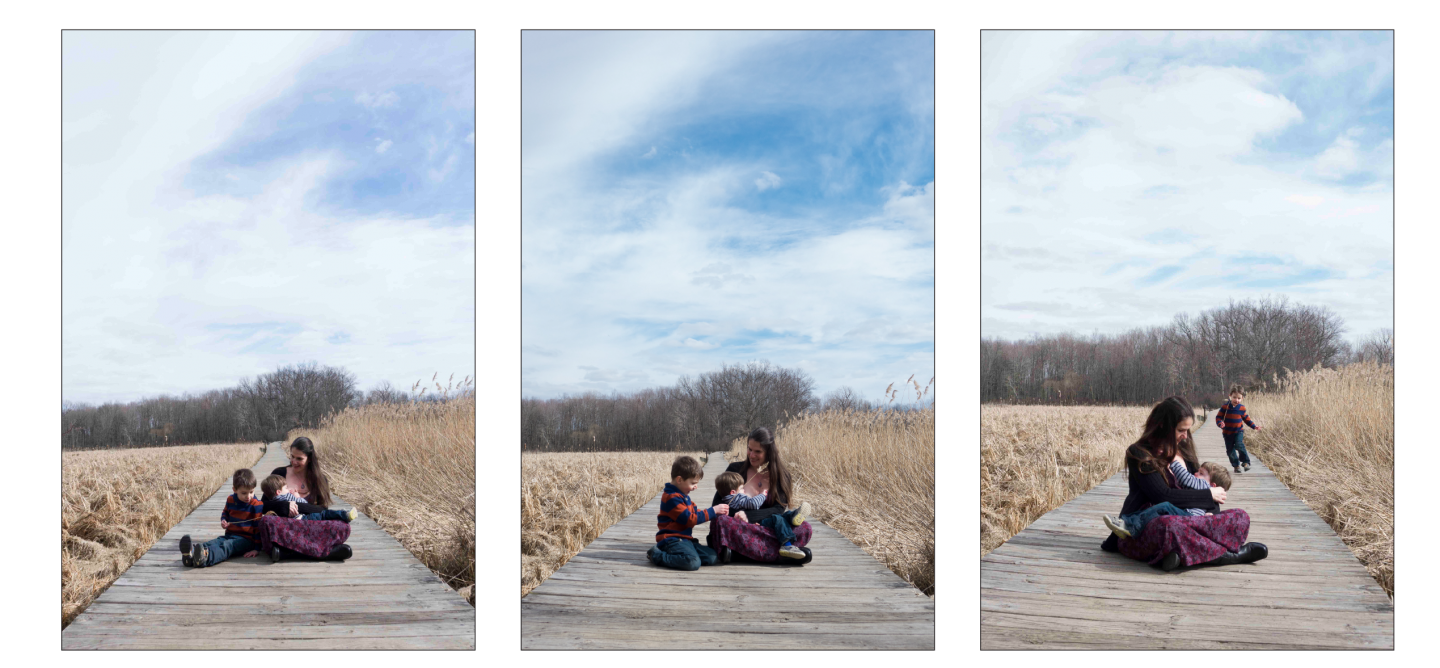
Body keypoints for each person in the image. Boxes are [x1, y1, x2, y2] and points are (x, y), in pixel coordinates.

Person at [1100, 396, 1268, 572]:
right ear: (1163, 426)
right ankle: (1230, 555)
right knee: (1170, 526)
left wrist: (1209, 514)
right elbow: (1162, 495)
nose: (1186, 436)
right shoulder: (1140, 453)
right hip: (1148, 527)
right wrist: (1208, 495)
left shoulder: (1184, 447)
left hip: (1189, 521)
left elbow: (1200, 484)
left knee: (1240, 516)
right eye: (1181, 430)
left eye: (1188, 430)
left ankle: (1177, 554)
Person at [706, 427, 813, 565]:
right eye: (749, 449)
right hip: (739, 526)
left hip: (765, 528)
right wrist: (740, 517)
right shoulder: (734, 470)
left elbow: (778, 510)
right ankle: (780, 554)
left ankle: (738, 554)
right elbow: (718, 504)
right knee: (721, 522)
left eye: (758, 451)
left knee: (805, 528)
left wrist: (749, 516)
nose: (752, 455)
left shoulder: (782, 476)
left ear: (769, 452)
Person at [260, 437, 353, 563]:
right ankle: (326, 552)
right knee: (266, 521)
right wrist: (284, 506)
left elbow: (322, 509)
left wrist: (296, 505)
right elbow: (263, 506)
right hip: (287, 525)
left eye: (299, 458)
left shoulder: (320, 480)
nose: (294, 461)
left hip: (310, 525)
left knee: (343, 526)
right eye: (292, 456)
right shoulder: (279, 474)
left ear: (309, 459)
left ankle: (286, 553)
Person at [1103, 460, 1232, 539]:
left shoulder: (1205, 487)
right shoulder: (1205, 487)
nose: (1195, 474)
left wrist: (1174, 463)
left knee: (1164, 507)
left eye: (1201, 473)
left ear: (1213, 485)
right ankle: (1127, 522)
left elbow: (1185, 478)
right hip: (1191, 517)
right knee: (1160, 510)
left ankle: (1131, 527)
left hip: (1189, 516)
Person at [647, 455, 727, 571]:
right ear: (679, 480)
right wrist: (713, 511)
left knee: (712, 557)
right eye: (693, 483)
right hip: (672, 540)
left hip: (685, 540)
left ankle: (686, 553)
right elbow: (689, 519)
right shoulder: (671, 498)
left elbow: (695, 513)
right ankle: (657, 555)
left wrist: (715, 513)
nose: (696, 487)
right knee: (693, 563)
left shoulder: (683, 496)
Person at [714, 471, 812, 559]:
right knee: (777, 518)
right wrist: (762, 494)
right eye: (741, 488)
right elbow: (753, 504)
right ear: (733, 492)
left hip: (754, 525)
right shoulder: (737, 497)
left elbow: (778, 509)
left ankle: (793, 517)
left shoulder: (728, 498)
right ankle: (787, 544)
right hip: (755, 525)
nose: (744, 490)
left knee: (801, 526)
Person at [179, 469, 265, 568]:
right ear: (235, 490)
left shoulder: (256, 505)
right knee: (214, 542)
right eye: (244, 493)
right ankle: (190, 556)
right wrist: (223, 520)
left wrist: (257, 548)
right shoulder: (230, 499)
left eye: (251, 492)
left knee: (227, 546)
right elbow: (225, 513)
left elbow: (258, 529)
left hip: (247, 540)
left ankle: (205, 558)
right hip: (230, 534)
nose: (248, 496)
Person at [258, 475, 357, 523]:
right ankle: (344, 515)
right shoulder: (286, 497)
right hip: (302, 519)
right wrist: (297, 496)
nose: (288, 489)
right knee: (324, 515)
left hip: (289, 522)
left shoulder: (272, 500)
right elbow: (303, 503)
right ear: (278, 492)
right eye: (286, 488)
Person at [1216, 385, 1261, 473]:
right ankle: (1236, 466)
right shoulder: (1225, 407)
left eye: (1239, 398)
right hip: (1227, 433)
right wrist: (1220, 423)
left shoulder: (1242, 408)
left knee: (1239, 444)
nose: (1236, 400)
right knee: (1230, 451)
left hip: (1238, 431)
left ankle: (1246, 462)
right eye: (1234, 397)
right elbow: (1218, 417)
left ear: (1242, 398)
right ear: (1230, 396)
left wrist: (1254, 426)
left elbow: (1246, 419)